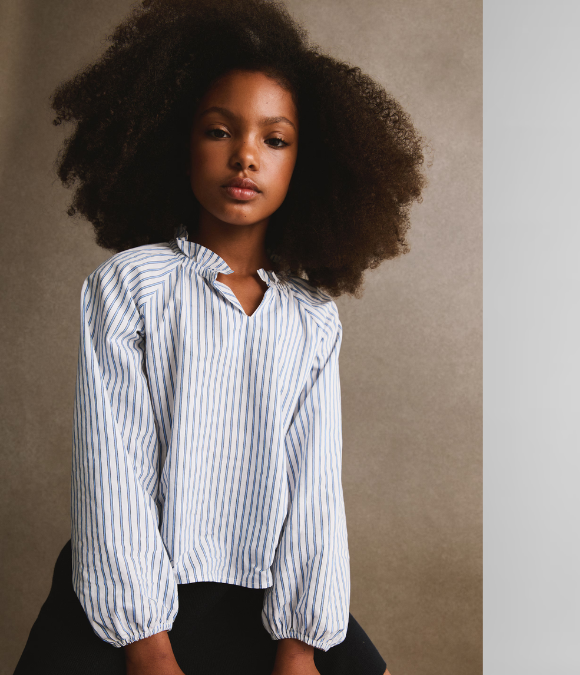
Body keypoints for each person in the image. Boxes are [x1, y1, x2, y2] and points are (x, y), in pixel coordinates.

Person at [14, 1, 425, 673]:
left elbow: (315, 488)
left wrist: (297, 646)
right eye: (218, 130)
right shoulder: (129, 286)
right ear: (177, 141)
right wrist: (147, 648)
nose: (245, 156)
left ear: (306, 164)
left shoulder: (312, 318)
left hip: (268, 597)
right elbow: (111, 469)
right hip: (139, 592)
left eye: (275, 139)